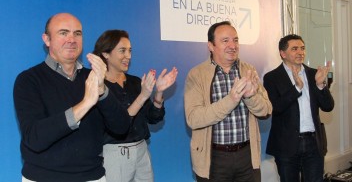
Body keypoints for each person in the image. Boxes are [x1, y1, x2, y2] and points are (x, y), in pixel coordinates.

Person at [13, 13, 131, 182]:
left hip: (92, 176)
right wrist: (85, 104)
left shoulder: (94, 78)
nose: (72, 39)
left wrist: (102, 92)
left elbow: (121, 127)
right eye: (63, 33)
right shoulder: (28, 80)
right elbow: (34, 138)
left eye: (77, 33)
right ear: (47, 39)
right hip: (42, 178)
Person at [184, 21, 272, 182]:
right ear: (211, 46)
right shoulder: (196, 74)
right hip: (213, 160)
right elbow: (193, 118)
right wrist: (231, 100)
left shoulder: (248, 70)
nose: (233, 45)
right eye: (225, 41)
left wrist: (250, 97)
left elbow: (266, 110)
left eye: (236, 40)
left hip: (247, 157)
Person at [92, 29, 178, 182]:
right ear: (106, 54)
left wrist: (158, 92)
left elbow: (153, 118)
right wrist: (143, 95)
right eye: (122, 51)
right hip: (115, 154)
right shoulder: (98, 87)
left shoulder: (135, 82)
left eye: (130, 51)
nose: (128, 56)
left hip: (142, 150)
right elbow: (115, 124)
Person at [264, 34, 334, 182]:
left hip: (313, 144)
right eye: (294, 49)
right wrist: (296, 89)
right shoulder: (272, 77)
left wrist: (321, 86)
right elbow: (275, 108)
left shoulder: (314, 74)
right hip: (286, 145)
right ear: (283, 54)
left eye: (302, 48)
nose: (300, 52)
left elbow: (328, 107)